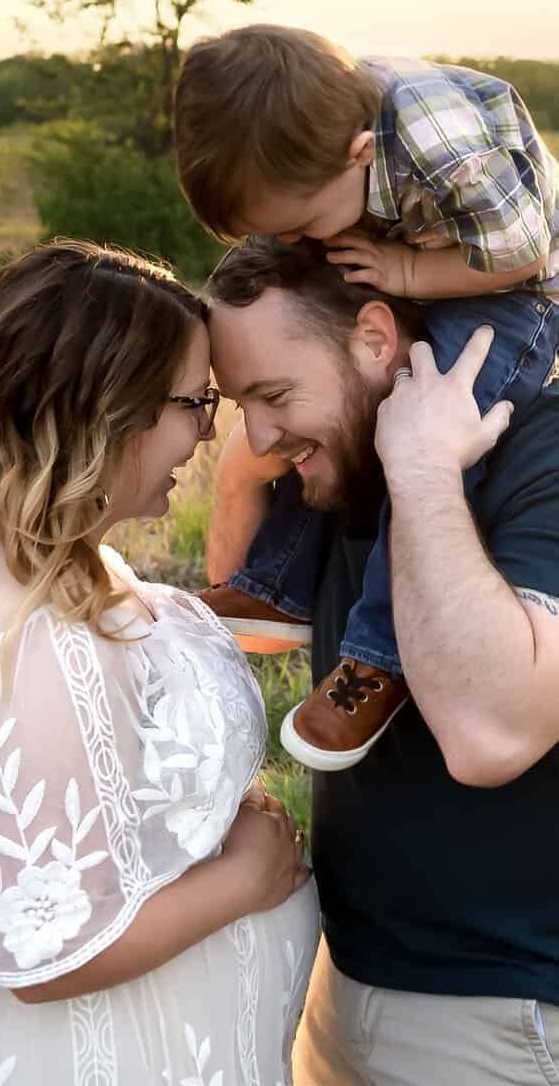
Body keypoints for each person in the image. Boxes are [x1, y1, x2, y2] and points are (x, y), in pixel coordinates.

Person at [0, 239, 317, 1086]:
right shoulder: (36, 630)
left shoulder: (29, 575)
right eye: (193, 402)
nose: (208, 432)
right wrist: (245, 879)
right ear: (107, 409)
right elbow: (47, 955)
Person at [206, 236, 559, 1085]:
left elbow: (490, 738)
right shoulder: (347, 450)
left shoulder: (541, 449)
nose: (260, 432)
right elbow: (248, 611)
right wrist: (240, 473)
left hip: (496, 1014)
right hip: (343, 977)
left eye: (273, 395)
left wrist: (426, 472)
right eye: (239, 405)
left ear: (373, 338)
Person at [174, 22, 559, 771]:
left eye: (303, 227)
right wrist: (245, 469)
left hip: (516, 284)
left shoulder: (448, 152)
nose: (304, 244)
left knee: (437, 417)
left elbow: (526, 254)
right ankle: (275, 585)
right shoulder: (313, 128)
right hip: (429, 244)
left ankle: (375, 658)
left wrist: (407, 276)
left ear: (357, 155)